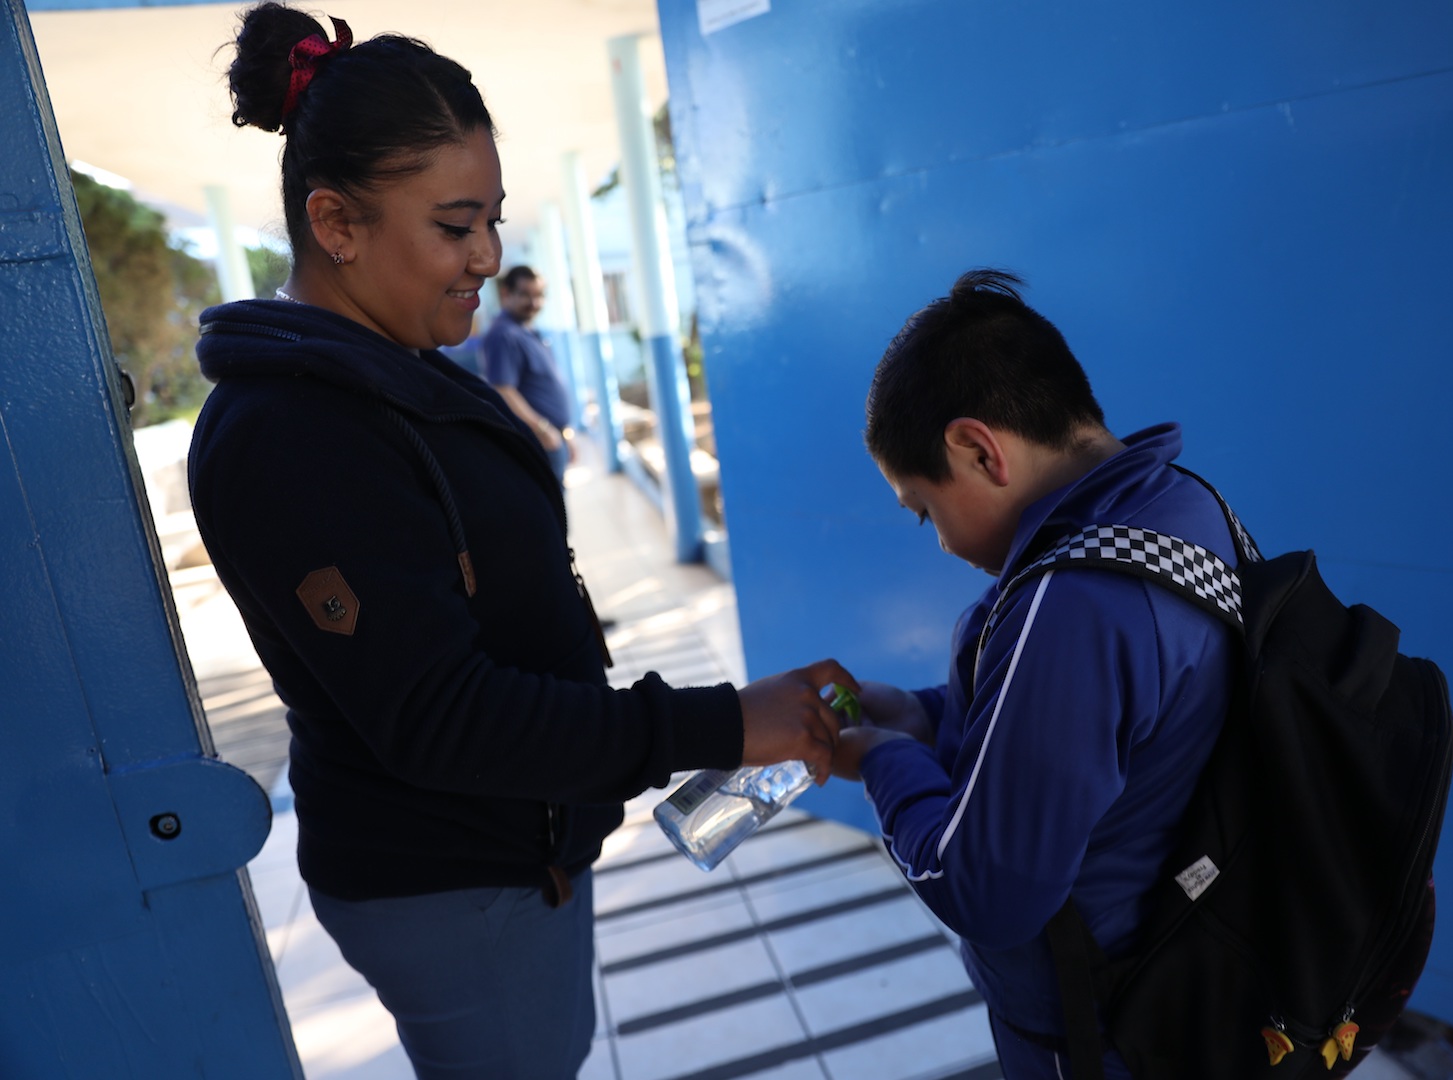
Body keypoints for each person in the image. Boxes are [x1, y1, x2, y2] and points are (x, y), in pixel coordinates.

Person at [193, 7, 853, 1077]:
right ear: (336, 222)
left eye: (493, 220)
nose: (490, 258)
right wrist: (722, 724)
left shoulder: (393, 370)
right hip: (454, 883)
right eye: (455, 228)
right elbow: (441, 716)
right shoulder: (294, 434)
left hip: (510, 852)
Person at [831, 269, 1237, 1080]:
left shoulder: (1073, 602)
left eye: (923, 507)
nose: (941, 541)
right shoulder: (1178, 509)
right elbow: (1097, 729)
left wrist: (879, 761)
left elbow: (988, 893)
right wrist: (921, 714)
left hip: (1101, 1028)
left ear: (978, 449)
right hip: (1190, 975)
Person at [480, 266, 575, 482]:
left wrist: (565, 432)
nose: (534, 303)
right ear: (506, 293)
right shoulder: (503, 335)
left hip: (553, 436)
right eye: (525, 295)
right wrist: (543, 429)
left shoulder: (527, 330)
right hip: (540, 440)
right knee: (550, 512)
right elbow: (503, 390)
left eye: (539, 295)